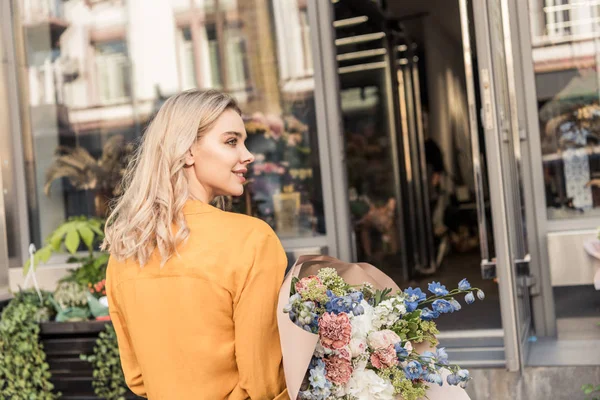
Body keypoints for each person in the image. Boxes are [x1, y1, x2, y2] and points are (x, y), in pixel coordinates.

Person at [102, 90, 289, 399]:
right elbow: (263, 379)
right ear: (187, 151)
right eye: (231, 141)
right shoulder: (252, 240)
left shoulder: (126, 249)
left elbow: (136, 377)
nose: (248, 154)